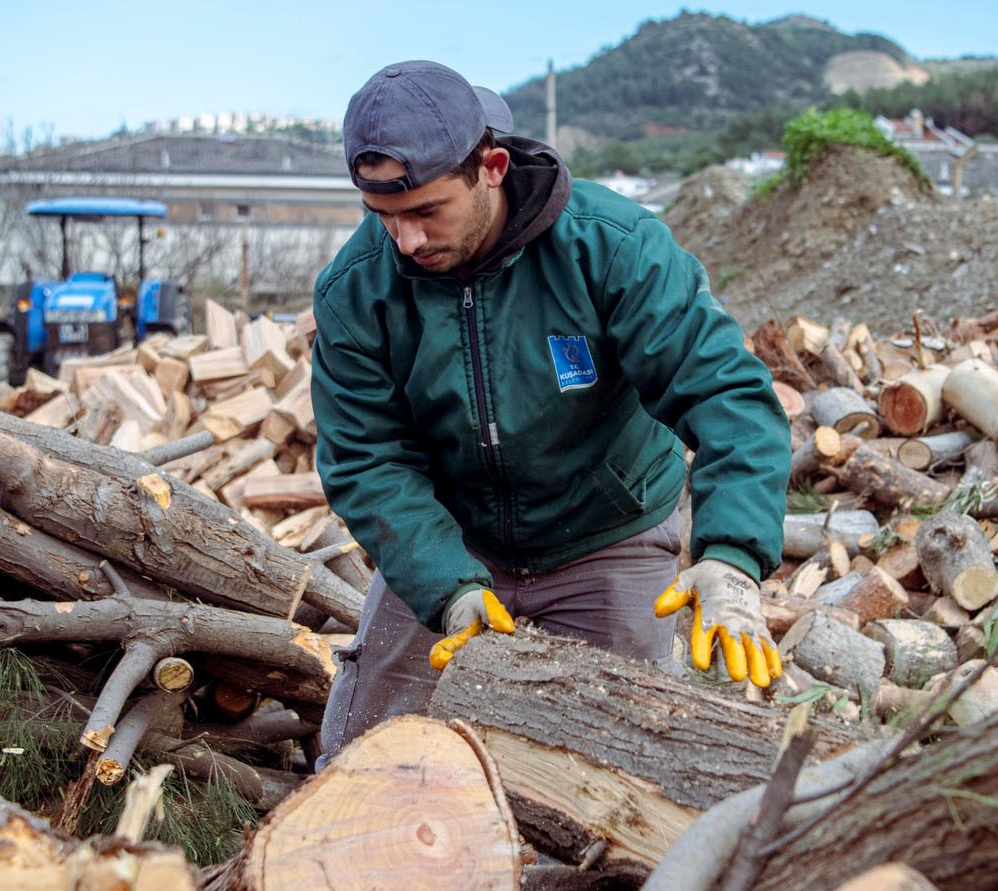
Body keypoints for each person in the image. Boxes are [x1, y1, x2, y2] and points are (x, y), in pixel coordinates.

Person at [310, 60, 791, 765]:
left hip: (606, 531)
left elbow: (726, 394)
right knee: (367, 753)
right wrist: (446, 586)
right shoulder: (357, 289)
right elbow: (366, 459)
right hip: (452, 535)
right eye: (383, 217)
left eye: (426, 212)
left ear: (492, 168)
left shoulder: (612, 247)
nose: (405, 241)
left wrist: (733, 556)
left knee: (629, 764)